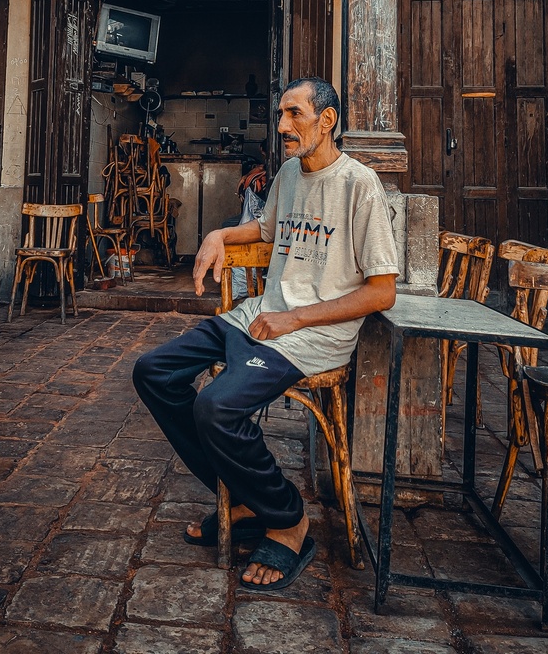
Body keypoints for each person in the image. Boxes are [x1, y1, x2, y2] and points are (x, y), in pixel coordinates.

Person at [132, 77, 399, 591]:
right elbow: (267, 229)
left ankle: (288, 518)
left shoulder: (359, 185)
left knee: (215, 407)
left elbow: (382, 292)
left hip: (310, 337)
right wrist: (219, 233)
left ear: (328, 120)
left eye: (294, 114)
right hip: (258, 317)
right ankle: (244, 496)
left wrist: (295, 318)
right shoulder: (288, 176)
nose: (282, 127)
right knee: (154, 372)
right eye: (281, 114)